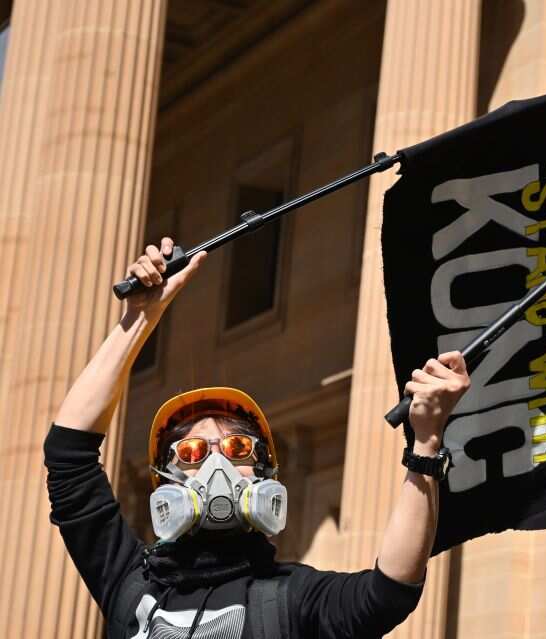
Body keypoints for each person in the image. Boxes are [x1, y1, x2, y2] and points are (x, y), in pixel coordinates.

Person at [44, 237, 470, 638]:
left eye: (236, 448)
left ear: (264, 472)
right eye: (191, 452)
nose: (216, 465)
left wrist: (427, 444)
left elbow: (389, 592)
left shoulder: (292, 599)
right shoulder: (132, 584)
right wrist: (140, 317)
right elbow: (68, 453)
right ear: (164, 482)